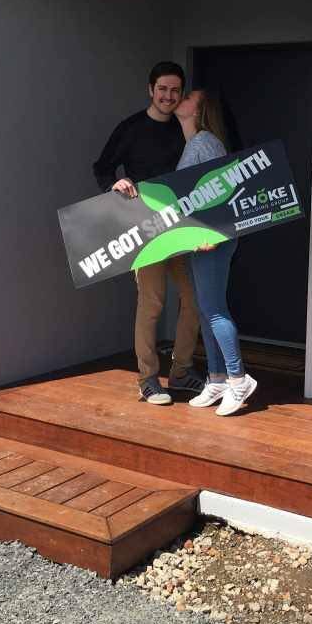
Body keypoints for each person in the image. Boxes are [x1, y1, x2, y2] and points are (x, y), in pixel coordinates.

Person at [93, 62, 203, 406]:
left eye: (175, 90)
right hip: (146, 229)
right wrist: (115, 182)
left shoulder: (186, 129)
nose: (168, 96)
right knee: (151, 303)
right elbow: (102, 166)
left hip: (183, 227)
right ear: (150, 89)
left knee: (195, 300)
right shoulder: (130, 128)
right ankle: (148, 380)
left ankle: (182, 371)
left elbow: (199, 166)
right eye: (162, 89)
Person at [174, 89, 257, 416]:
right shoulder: (195, 142)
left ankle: (239, 379)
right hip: (200, 239)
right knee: (206, 309)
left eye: (189, 96)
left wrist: (212, 232)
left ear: (201, 108)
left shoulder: (204, 142)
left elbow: (222, 189)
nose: (182, 97)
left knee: (214, 309)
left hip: (211, 240)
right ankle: (218, 378)